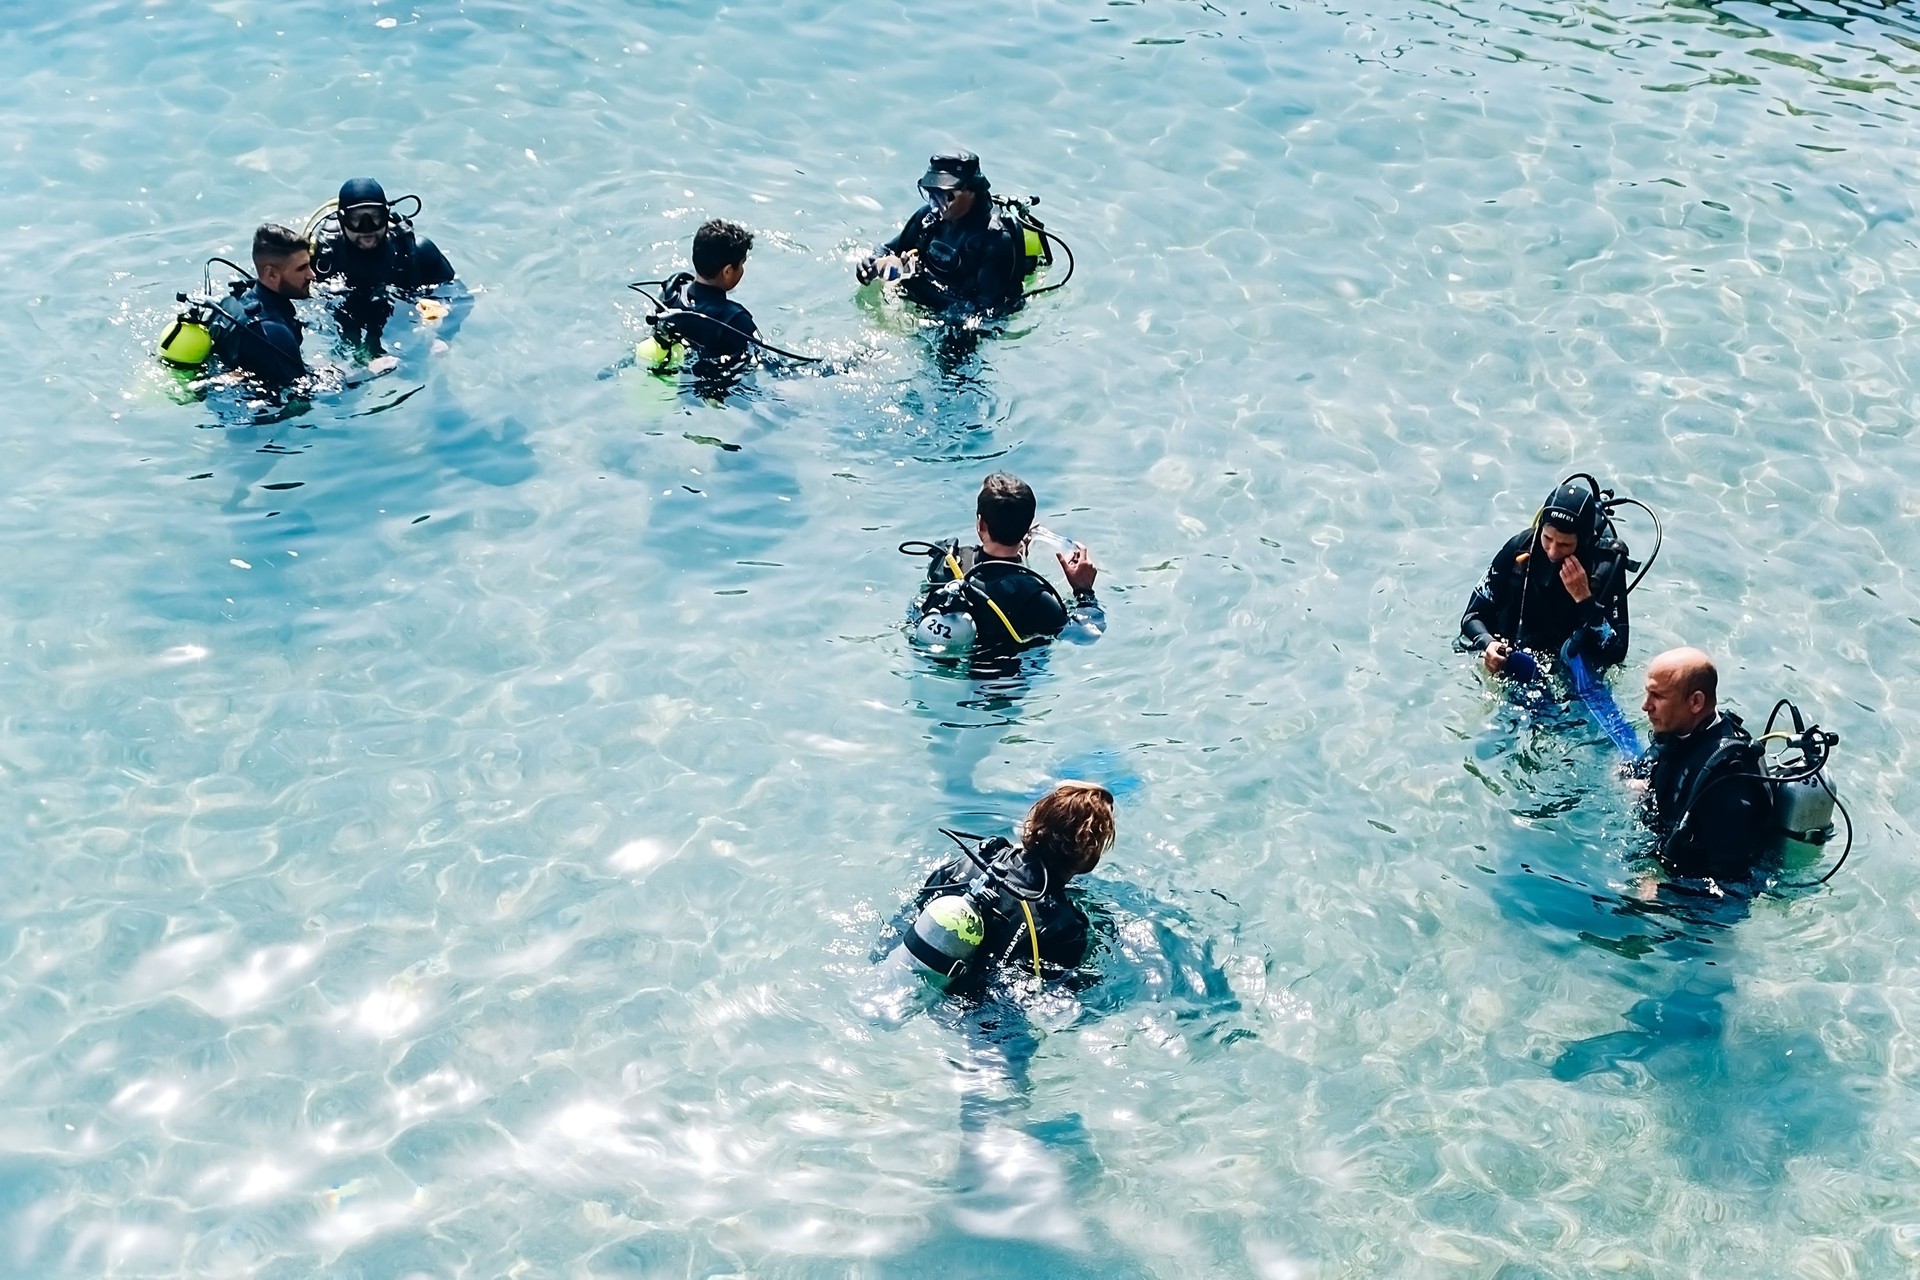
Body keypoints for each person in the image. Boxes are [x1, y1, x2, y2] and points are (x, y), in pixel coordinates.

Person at [894, 782, 1117, 991]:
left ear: (1033, 825)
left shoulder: (975, 857)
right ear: (1088, 857)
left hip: (905, 966)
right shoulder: (1065, 927)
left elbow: (913, 911)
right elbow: (1058, 992)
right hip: (974, 1014)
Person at [909, 472, 1103, 658]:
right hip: (1003, 683)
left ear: (981, 524)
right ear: (1028, 527)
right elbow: (1086, 635)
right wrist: (1084, 592)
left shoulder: (948, 564)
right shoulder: (1037, 598)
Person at [1460, 476, 1631, 676]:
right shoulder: (1520, 548)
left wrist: (1585, 600)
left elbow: (1617, 652)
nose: (1552, 551)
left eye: (1565, 545)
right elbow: (1472, 617)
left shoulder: (1604, 567)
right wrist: (1488, 643)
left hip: (1573, 663)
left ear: (1583, 540)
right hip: (1519, 653)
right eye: (1547, 538)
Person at [1635, 647, 1774, 886]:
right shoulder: (1683, 732)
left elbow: (1731, 892)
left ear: (1696, 702)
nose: (1646, 706)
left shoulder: (1726, 784)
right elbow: (1660, 754)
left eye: (1657, 696)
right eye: (1648, 693)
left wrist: (1662, 892)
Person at [856, 151, 1024, 316]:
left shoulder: (995, 239)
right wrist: (872, 263)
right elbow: (888, 249)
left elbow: (986, 310)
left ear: (971, 191)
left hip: (960, 324)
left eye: (946, 196)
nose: (936, 205)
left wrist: (919, 285)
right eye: (931, 194)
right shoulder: (929, 217)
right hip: (928, 300)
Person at [209, 223, 313, 388]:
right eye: (301, 269)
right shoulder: (272, 331)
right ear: (271, 273)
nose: (312, 275)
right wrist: (365, 372)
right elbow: (303, 396)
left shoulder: (230, 302)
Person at [313, 177, 456, 293]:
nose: (367, 228)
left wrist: (439, 315)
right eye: (356, 219)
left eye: (375, 217)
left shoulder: (418, 252)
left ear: (386, 216)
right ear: (342, 219)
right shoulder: (323, 254)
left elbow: (457, 296)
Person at [654, 219, 759, 362]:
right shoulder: (736, 320)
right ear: (727, 271)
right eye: (741, 264)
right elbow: (765, 362)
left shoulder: (671, 292)